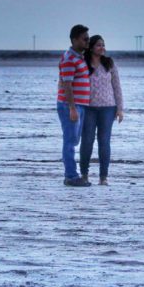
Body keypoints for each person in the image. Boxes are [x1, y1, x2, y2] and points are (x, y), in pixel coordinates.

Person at [79, 35, 124, 186]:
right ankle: (84, 174)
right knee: (87, 141)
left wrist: (120, 109)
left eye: (103, 45)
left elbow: (117, 86)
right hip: (88, 108)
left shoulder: (109, 63)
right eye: (99, 45)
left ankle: (103, 177)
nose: (102, 48)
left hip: (108, 108)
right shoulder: (83, 63)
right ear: (91, 47)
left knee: (104, 142)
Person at [57, 24, 92, 187]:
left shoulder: (79, 57)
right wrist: (72, 108)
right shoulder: (69, 59)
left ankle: (71, 175)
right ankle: (71, 176)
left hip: (80, 105)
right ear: (74, 39)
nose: (87, 41)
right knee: (70, 141)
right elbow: (67, 85)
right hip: (70, 105)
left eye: (88, 38)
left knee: (73, 141)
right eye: (84, 39)